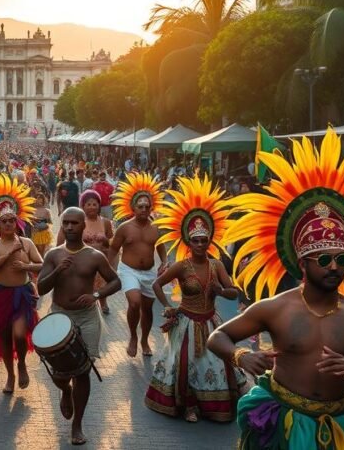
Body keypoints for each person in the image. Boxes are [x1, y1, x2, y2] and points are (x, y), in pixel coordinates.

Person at [207, 130, 344, 449]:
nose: (334, 266)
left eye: (341, 259)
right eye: (324, 259)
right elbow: (217, 336)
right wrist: (241, 356)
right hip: (283, 424)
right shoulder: (276, 308)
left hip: (340, 424)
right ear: (302, 262)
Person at [145, 175, 246, 423]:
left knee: (213, 365)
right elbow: (157, 284)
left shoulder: (216, 265)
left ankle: (214, 405)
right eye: (196, 240)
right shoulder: (181, 266)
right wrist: (168, 306)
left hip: (211, 322)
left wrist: (220, 291)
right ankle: (189, 406)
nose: (201, 244)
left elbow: (234, 291)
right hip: (186, 324)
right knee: (185, 366)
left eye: (205, 240)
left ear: (210, 240)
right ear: (188, 242)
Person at [38, 207, 121, 446]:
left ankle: (77, 425)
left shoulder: (95, 256)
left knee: (83, 371)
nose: (70, 227)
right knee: (59, 372)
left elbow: (116, 281)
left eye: (75, 223)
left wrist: (96, 294)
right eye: (66, 223)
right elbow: (41, 288)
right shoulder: (53, 255)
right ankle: (65, 391)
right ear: (62, 225)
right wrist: (57, 272)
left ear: (84, 226)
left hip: (87, 317)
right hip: (60, 317)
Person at [0, 174, 43, 394]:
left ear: (17, 222)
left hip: (22, 293)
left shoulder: (26, 242)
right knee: (5, 337)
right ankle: (10, 375)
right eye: (4, 221)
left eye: (12, 220)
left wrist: (25, 268)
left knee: (19, 333)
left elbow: (40, 264)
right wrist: (10, 254)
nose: (8, 224)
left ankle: (23, 364)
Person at [109, 172, 167, 357]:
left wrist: (165, 262)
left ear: (151, 208)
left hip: (149, 273)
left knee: (147, 309)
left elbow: (161, 246)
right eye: (140, 206)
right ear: (133, 207)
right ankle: (133, 336)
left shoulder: (155, 228)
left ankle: (144, 340)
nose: (143, 209)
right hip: (128, 270)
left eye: (146, 206)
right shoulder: (124, 228)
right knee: (134, 303)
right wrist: (108, 271)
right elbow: (112, 250)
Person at [58, 190, 115, 314]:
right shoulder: (76, 222)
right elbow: (62, 241)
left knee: (101, 284)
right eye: (88, 204)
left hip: (100, 260)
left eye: (95, 204)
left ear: (99, 206)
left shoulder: (105, 222)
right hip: (80, 261)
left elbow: (110, 243)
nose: (92, 207)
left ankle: (103, 301)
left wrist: (104, 240)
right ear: (82, 206)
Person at [30, 193, 54, 257]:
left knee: (41, 252)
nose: (38, 200)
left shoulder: (46, 211)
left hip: (44, 233)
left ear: (43, 200)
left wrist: (43, 222)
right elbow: (29, 222)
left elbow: (50, 222)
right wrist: (33, 221)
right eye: (37, 198)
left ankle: (42, 264)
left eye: (40, 199)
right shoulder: (31, 211)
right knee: (37, 251)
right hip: (35, 232)